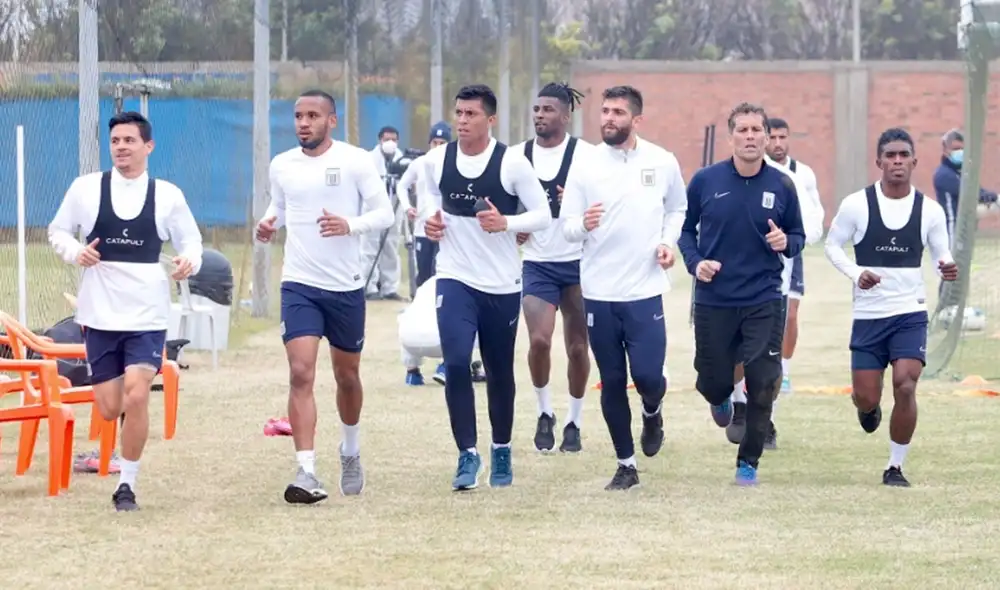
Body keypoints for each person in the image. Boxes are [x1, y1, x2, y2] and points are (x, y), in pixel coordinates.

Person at [47, 111, 204, 511]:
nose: (121, 148)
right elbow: (57, 230)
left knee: (137, 397)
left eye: (129, 141)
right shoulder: (86, 189)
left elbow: (192, 243)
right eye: (115, 141)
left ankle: (126, 485)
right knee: (109, 406)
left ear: (148, 146)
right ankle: (117, 450)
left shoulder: (167, 195)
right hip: (99, 315)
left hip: (147, 317)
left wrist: (189, 261)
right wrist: (75, 251)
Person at [255, 90, 394, 504]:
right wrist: (267, 224)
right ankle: (306, 470)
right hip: (299, 284)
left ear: (332, 120)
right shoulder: (282, 164)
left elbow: (384, 213)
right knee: (301, 373)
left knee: (347, 376)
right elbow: (278, 206)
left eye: (312, 115)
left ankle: (349, 449)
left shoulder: (355, 160)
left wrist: (348, 225)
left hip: (345, 286)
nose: (303, 123)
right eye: (298, 115)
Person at [419, 84, 550, 491]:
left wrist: (506, 224)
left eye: (471, 114)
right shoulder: (437, 160)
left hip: (501, 283)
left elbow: (544, 215)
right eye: (458, 113)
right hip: (456, 276)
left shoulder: (511, 163)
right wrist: (429, 219)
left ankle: (502, 447)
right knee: (456, 362)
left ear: (489, 119)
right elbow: (426, 197)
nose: (462, 120)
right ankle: (467, 454)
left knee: (498, 371)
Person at [561, 85, 687, 491]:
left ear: (637, 119)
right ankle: (626, 464)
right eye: (605, 111)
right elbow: (566, 228)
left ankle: (653, 411)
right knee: (612, 379)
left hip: (644, 291)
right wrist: (584, 224)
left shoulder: (662, 161)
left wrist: (667, 243)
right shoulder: (585, 166)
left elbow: (677, 208)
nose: (608, 119)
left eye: (618, 112)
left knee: (650, 376)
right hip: (599, 293)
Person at [677, 102, 805, 487]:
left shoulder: (782, 184)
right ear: (731, 136)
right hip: (715, 298)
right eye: (743, 130)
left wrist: (786, 242)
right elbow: (685, 233)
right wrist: (696, 262)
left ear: (767, 137)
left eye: (757, 130)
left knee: (763, 380)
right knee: (712, 379)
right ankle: (720, 398)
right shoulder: (705, 180)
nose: (750, 137)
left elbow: (798, 236)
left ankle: (748, 462)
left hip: (764, 298)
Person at [825, 127, 957, 487]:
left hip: (909, 313)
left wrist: (946, 267)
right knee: (866, 397)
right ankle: (869, 409)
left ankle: (895, 466)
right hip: (869, 315)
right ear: (879, 161)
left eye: (903, 155)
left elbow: (939, 252)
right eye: (890, 156)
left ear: (914, 161)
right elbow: (832, 245)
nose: (897, 162)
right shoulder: (856, 204)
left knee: (906, 385)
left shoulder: (928, 210)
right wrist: (856, 273)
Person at [724, 118, 824, 449]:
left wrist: (789, 239)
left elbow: (812, 225)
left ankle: (766, 419)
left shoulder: (795, 178)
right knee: (738, 344)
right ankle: (738, 402)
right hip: (738, 276)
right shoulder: (729, 175)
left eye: (781, 136)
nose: (775, 142)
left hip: (781, 273)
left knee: (771, 352)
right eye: (746, 132)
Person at [513, 82, 596, 454]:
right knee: (539, 341)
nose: (540, 116)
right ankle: (544, 412)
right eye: (536, 109)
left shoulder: (587, 156)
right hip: (538, 264)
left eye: (548, 110)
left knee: (578, 349)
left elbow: (607, 202)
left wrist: (579, 202)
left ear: (566, 115)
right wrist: (514, 225)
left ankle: (574, 421)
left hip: (579, 262)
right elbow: (503, 199)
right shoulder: (517, 156)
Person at [397, 122, 487, 387]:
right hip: (425, 233)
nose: (437, 147)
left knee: (456, 298)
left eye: (442, 143)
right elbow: (402, 187)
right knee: (426, 294)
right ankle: (415, 366)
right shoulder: (422, 163)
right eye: (434, 143)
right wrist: (407, 208)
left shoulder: (457, 164)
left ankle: (452, 361)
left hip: (452, 237)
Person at [361, 125, 406, 301]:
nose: (391, 143)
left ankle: (389, 287)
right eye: (387, 139)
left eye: (394, 139)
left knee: (391, 247)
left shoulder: (402, 159)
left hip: (394, 208)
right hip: (373, 208)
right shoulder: (369, 159)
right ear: (380, 140)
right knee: (369, 247)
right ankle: (369, 286)